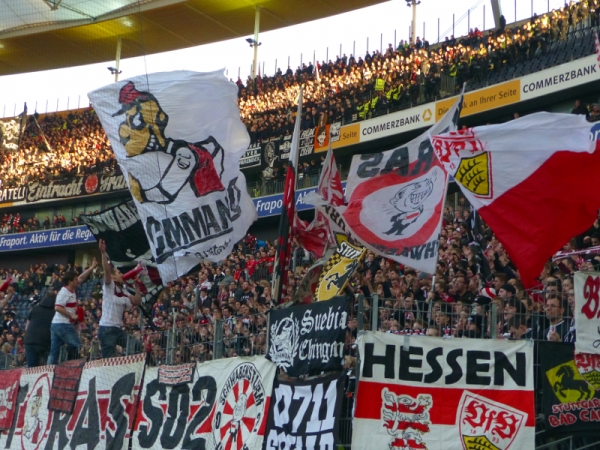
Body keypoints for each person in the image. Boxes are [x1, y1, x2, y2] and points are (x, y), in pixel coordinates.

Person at [98, 239, 142, 358]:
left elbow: (137, 301)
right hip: (106, 328)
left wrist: (137, 286)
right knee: (108, 359)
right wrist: (103, 253)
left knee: (137, 345)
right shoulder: (109, 287)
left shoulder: (124, 292)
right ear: (113, 277)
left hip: (117, 329)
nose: (122, 274)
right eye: (118, 272)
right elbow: (106, 271)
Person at [48, 261, 97, 365]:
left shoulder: (71, 290)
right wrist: (71, 315)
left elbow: (81, 277)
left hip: (56, 324)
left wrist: (92, 267)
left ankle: (50, 369)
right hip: (63, 324)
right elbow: (57, 307)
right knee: (77, 345)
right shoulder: (64, 292)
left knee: (54, 352)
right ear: (70, 282)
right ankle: (71, 364)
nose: (77, 281)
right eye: (75, 280)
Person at [24, 291, 56, 367]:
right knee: (47, 367)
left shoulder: (35, 308)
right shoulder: (55, 312)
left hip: (30, 341)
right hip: (46, 342)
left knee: (32, 368)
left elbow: (27, 326)